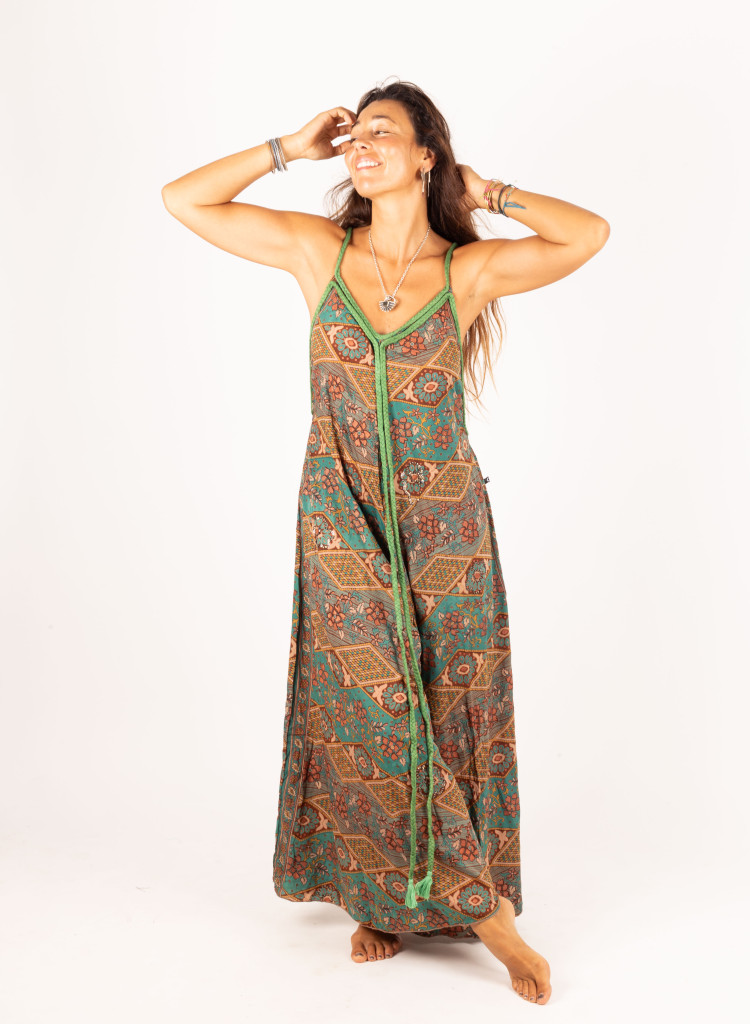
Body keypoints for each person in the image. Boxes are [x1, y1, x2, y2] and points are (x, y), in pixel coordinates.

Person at [162, 78, 609, 1006]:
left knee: (449, 708)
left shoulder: (465, 273)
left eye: (383, 132)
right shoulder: (319, 252)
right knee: (367, 708)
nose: (361, 144)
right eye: (353, 135)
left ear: (424, 156)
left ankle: (408, 904)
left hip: (448, 527)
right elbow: (184, 200)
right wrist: (289, 149)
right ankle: (468, 917)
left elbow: (587, 234)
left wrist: (490, 194)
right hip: (341, 516)